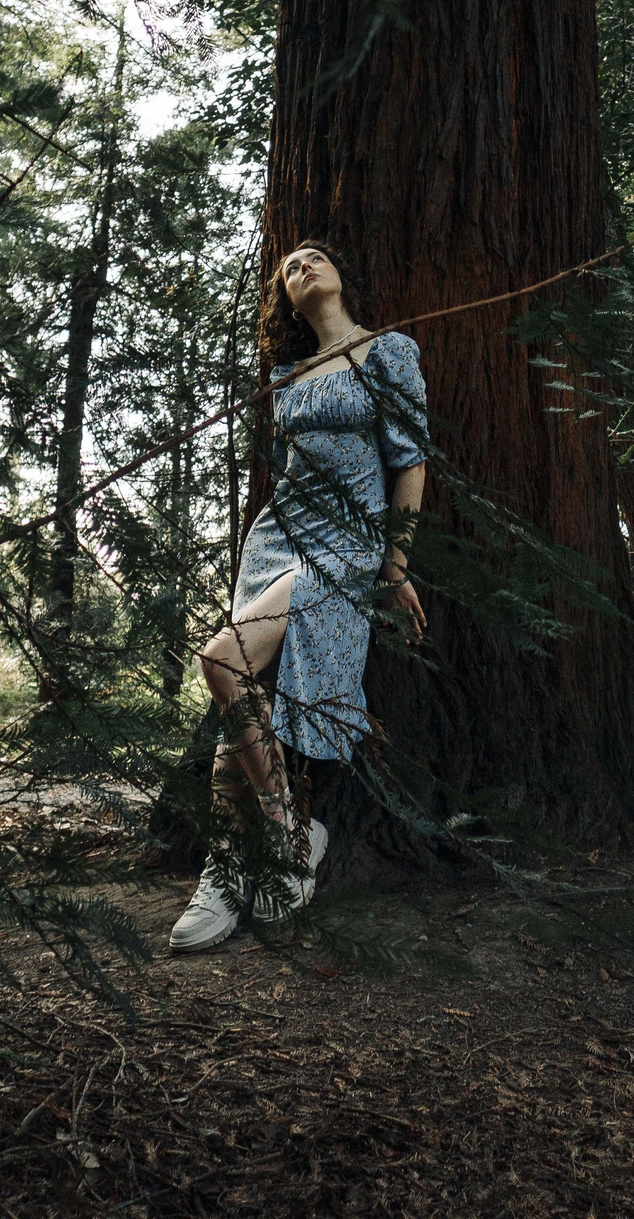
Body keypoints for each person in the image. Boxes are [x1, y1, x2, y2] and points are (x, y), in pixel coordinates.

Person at [169, 239, 429, 953]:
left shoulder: (388, 353)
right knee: (241, 690)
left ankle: (287, 832)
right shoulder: (285, 376)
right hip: (276, 542)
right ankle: (229, 864)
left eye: (314, 257)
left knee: (220, 661)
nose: (301, 267)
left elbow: (409, 463)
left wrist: (395, 565)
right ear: (284, 299)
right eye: (288, 268)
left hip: (345, 545)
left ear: (342, 274)